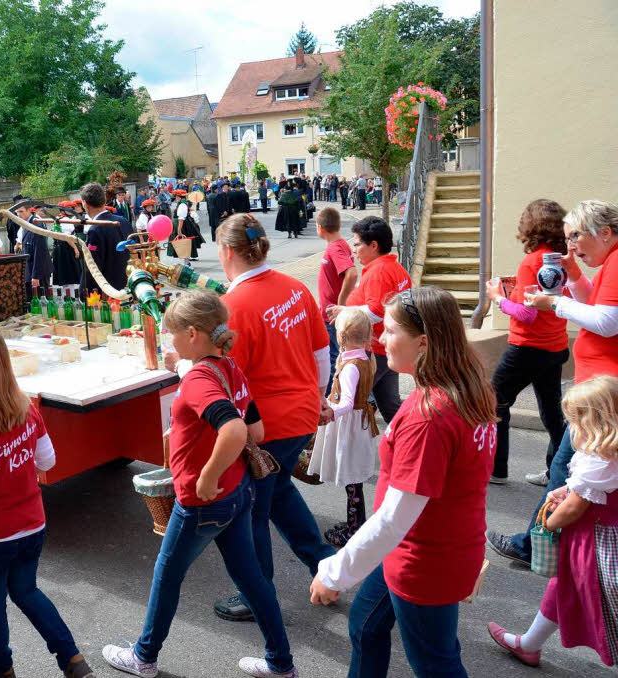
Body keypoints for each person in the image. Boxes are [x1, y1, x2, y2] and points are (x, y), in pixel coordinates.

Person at [104, 291, 299, 678]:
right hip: (238, 493)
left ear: (192, 333)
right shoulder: (229, 367)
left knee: (167, 575)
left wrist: (207, 474)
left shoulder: (199, 379)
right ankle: (280, 663)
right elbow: (256, 428)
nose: (167, 340)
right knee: (251, 579)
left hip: (203, 499)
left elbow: (234, 429)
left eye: (170, 332)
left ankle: (144, 657)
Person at [310, 286, 497, 678]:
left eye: (392, 331)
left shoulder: (429, 416)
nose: (381, 338)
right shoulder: (468, 384)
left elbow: (395, 517)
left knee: (436, 664)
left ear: (424, 342)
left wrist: (334, 574)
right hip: (421, 549)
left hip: (424, 561)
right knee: (365, 622)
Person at [0, 325, 96, 678]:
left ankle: (1, 669)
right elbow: (47, 462)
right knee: (26, 591)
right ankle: (72, 660)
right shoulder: (27, 410)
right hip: (32, 525)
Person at [208, 214, 335, 624]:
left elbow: (227, 376)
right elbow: (321, 352)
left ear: (227, 252)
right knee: (279, 492)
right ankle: (327, 566)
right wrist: (318, 396)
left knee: (252, 511)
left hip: (267, 425)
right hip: (299, 415)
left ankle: (256, 592)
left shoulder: (233, 305)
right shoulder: (296, 288)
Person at [487, 200, 618, 566]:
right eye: (566, 236)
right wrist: (573, 274)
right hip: (564, 357)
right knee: (556, 433)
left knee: (496, 404)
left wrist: (506, 299)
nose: (571, 244)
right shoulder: (603, 262)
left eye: (575, 236)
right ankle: (545, 538)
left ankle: (533, 540)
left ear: (604, 233)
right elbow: (595, 302)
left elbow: (606, 320)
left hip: (587, 382)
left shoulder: (541, 262)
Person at [488, 375, 618, 669]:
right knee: (563, 584)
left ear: (594, 422)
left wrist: (547, 524)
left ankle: (528, 644)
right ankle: (529, 644)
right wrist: (568, 489)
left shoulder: (598, 461)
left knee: (602, 596)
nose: (572, 428)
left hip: (597, 540)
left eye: (576, 421)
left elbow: (574, 508)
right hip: (599, 533)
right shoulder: (607, 452)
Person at [484, 199, 570, 486]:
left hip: (527, 346)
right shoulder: (558, 259)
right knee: (551, 410)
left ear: (529, 226)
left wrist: (498, 297)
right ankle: (559, 470)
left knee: (493, 401)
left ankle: (497, 469)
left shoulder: (532, 261)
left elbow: (526, 314)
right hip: (554, 345)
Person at [327, 217, 411, 424]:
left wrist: (345, 312)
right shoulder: (395, 268)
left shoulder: (379, 272)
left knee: (350, 400)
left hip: (373, 350)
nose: (353, 250)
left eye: (356, 244)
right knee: (390, 404)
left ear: (373, 245)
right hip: (385, 347)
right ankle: (406, 439)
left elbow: (376, 312)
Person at [308, 309, 379, 546]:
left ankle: (354, 528)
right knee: (354, 480)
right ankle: (354, 523)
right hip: (358, 424)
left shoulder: (350, 366)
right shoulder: (367, 358)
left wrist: (330, 410)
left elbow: (347, 402)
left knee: (352, 480)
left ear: (342, 337)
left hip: (350, 427)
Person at [316, 207, 359, 391]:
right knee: (336, 353)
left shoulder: (335, 248)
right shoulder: (340, 244)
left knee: (333, 357)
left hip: (332, 316)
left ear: (320, 228)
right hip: (331, 313)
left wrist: (341, 303)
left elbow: (351, 273)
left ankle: (330, 396)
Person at [79, 182, 128, 296]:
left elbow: (92, 267)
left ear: (85, 204)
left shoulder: (95, 230)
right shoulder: (123, 221)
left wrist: (83, 292)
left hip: (108, 292)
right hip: (126, 287)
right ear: (104, 200)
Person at [14, 201, 51, 299]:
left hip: (39, 272)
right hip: (30, 269)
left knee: (41, 302)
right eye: (17, 212)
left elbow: (39, 252)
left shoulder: (35, 226)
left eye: (21, 211)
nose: (18, 215)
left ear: (29, 210)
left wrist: (35, 276)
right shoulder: (26, 225)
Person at [166, 190, 202, 265]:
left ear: (179, 197)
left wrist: (179, 230)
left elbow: (181, 219)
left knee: (184, 243)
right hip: (182, 225)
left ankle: (187, 262)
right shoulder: (183, 204)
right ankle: (186, 262)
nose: (176, 198)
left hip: (182, 226)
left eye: (176, 197)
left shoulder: (182, 205)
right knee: (184, 243)